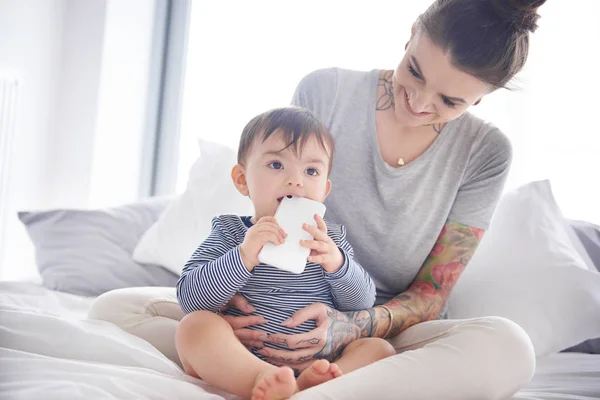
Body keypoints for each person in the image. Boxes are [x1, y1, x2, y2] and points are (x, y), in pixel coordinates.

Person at [89, 1, 547, 398]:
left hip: (375, 330)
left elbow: (430, 293)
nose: (418, 103)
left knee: (508, 348)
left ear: (481, 99)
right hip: (256, 322)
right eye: (414, 71)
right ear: (411, 35)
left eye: (448, 101)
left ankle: (306, 388)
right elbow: (201, 283)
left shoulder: (485, 153)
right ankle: (275, 378)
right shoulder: (325, 92)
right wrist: (225, 309)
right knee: (114, 308)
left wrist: (348, 325)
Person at [175, 107, 395, 400]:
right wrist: (243, 256)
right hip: (243, 354)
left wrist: (337, 264)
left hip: (320, 357)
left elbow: (362, 302)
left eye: (311, 171)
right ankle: (259, 379)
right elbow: (191, 298)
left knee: (380, 349)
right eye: (277, 165)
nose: (296, 180)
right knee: (194, 327)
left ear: (325, 190)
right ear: (242, 179)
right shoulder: (230, 233)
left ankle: (313, 386)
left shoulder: (330, 240)